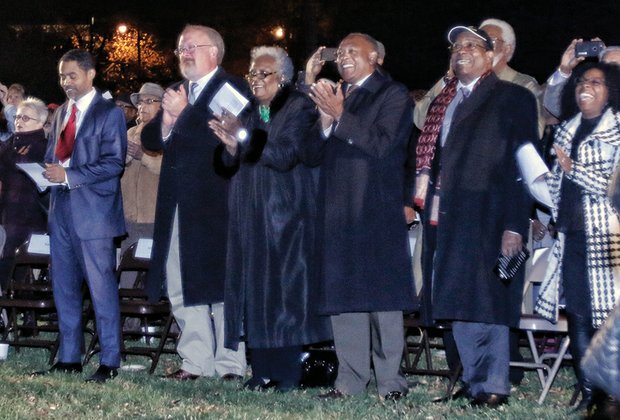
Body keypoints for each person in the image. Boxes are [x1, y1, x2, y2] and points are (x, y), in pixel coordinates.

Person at [417, 26, 537, 408]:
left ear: (492, 57)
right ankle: (473, 382)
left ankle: (494, 385)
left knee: (487, 304)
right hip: (447, 215)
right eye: (455, 46)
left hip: (491, 213)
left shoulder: (512, 96)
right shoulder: (445, 100)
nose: (461, 51)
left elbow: (525, 162)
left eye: (472, 46)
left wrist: (515, 223)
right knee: (458, 302)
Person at [209, 46, 331, 392]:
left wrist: (243, 137)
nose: (256, 80)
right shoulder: (247, 110)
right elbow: (230, 159)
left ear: (285, 78)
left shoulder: (299, 107)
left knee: (284, 296)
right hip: (248, 215)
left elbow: (286, 154)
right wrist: (230, 146)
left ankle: (288, 373)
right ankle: (261, 370)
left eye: (265, 74)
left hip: (286, 217)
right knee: (253, 292)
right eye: (252, 74)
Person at [302, 33, 416, 401]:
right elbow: (309, 154)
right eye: (341, 53)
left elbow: (384, 145)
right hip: (336, 212)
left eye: (353, 51)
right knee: (344, 300)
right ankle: (350, 382)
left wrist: (340, 116)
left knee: (382, 300)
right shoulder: (337, 95)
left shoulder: (393, 94)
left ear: (376, 57)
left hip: (376, 209)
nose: (344, 58)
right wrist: (323, 120)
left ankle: (390, 383)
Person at [141, 24, 250, 381]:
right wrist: (168, 120)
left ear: (214, 52)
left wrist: (183, 114)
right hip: (176, 206)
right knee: (180, 285)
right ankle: (195, 362)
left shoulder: (232, 88)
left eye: (191, 46)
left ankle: (231, 365)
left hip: (216, 206)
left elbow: (220, 139)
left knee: (220, 286)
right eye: (180, 47)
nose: (184, 52)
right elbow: (149, 137)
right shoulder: (177, 91)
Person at [37, 49, 127, 383]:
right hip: (60, 212)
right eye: (62, 76)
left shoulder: (109, 114)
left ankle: (110, 361)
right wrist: (45, 173)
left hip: (94, 215)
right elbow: (53, 157)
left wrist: (70, 175)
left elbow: (114, 163)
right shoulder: (61, 112)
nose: (66, 83)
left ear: (90, 74)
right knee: (64, 288)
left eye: (72, 75)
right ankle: (69, 358)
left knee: (101, 288)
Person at [536, 62, 620, 415]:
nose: (586, 87)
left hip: (605, 237)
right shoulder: (565, 131)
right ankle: (589, 394)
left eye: (596, 82)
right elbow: (558, 184)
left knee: (607, 319)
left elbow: (612, 188)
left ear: (611, 90)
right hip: (571, 236)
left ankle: (612, 397)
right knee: (579, 316)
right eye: (582, 81)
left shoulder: (617, 132)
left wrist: (574, 170)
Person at [414, 18, 544, 137]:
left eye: (490, 40)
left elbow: (533, 133)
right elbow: (420, 119)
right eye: (477, 42)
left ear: (507, 49)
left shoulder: (523, 85)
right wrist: (448, 79)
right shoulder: (457, 83)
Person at [0, 97, 49, 290]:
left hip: (30, 213)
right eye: (18, 117)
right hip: (7, 211)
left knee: (18, 260)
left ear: (41, 123)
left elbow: (20, 162)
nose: (19, 121)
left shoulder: (43, 145)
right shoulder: (10, 142)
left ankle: (19, 304)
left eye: (26, 118)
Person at [120, 82, 164, 260]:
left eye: (149, 101)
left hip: (153, 216)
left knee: (152, 269)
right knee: (127, 270)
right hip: (128, 218)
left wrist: (142, 156)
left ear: (162, 106)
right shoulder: (130, 132)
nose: (142, 106)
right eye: (139, 102)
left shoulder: (167, 133)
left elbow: (166, 167)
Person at [543, 42, 620, 119]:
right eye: (603, 65)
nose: (606, 70)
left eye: (614, 65)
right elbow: (553, 105)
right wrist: (564, 70)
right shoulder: (590, 100)